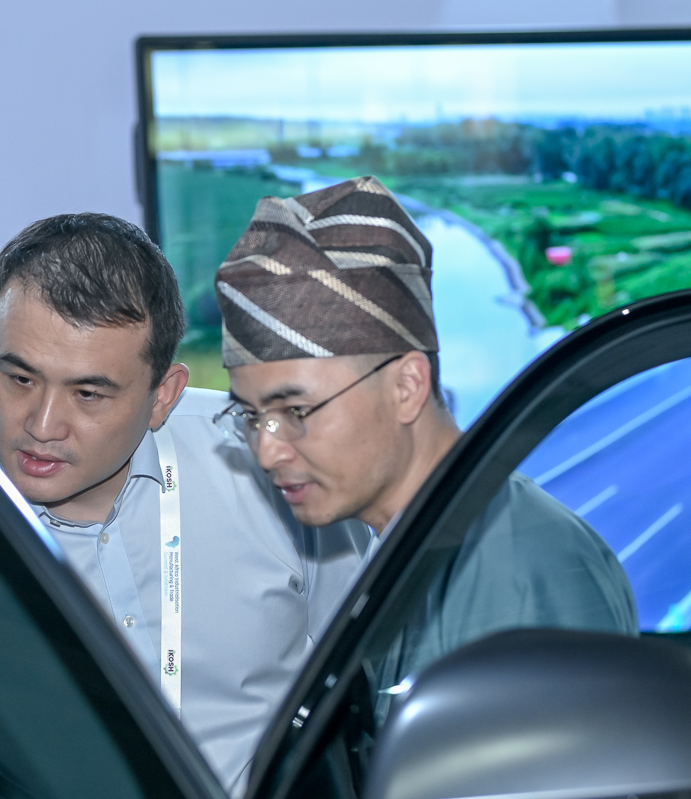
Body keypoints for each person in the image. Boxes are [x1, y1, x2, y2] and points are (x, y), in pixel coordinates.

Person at [0, 213, 367, 796]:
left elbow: (367, 656)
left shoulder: (273, 468)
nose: (43, 425)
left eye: (88, 393)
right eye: (21, 380)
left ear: (163, 395)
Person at [214, 177, 635, 696]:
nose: (267, 450)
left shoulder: (523, 575)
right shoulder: (412, 543)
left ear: (407, 386)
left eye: (296, 410)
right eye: (250, 415)